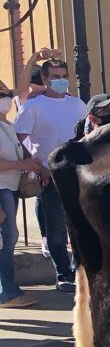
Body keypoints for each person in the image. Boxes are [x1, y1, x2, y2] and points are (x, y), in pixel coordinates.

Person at [12, 58, 88, 293]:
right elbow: (19, 136)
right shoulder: (34, 106)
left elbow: (86, 134)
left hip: (79, 173)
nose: (61, 80)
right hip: (50, 173)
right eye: (55, 76)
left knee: (80, 226)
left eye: (63, 75)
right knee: (55, 229)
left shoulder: (77, 103)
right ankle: (63, 274)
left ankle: (80, 271)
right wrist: (37, 166)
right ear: (44, 80)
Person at [0, 79, 46, 307]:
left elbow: (20, 90)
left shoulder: (6, 125)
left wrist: (31, 164)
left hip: (8, 188)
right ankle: (6, 293)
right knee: (4, 240)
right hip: (1, 191)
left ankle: (8, 289)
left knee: (8, 239)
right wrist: (23, 166)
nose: (5, 97)